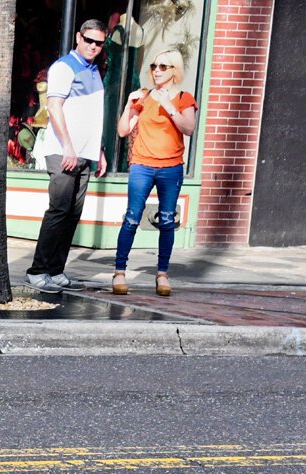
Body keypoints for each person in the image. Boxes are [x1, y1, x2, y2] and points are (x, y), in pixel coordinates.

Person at [24, 19, 109, 294]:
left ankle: (55, 270)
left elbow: (92, 116)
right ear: (78, 37)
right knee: (58, 211)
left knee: (72, 213)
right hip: (64, 152)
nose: (93, 46)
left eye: (99, 43)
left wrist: (99, 151)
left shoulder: (95, 70)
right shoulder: (64, 67)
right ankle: (37, 271)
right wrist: (69, 146)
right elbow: (54, 107)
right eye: (89, 40)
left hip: (84, 152)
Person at [111, 49, 197, 297]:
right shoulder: (144, 96)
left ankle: (162, 274)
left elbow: (189, 128)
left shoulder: (183, 97)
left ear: (174, 71)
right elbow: (122, 131)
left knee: (167, 220)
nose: (156, 71)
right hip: (142, 166)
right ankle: (119, 272)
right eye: (153, 66)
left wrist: (169, 106)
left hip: (171, 168)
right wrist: (129, 104)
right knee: (131, 218)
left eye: (163, 66)